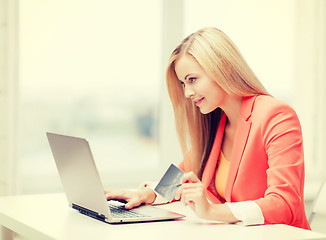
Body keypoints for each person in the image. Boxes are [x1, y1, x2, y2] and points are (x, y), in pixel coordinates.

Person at [105, 27, 310, 229]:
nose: (187, 93)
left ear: (224, 68)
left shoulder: (276, 115)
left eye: (192, 80)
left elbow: (285, 204)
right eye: (183, 84)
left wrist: (212, 212)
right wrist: (144, 195)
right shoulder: (217, 122)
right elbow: (179, 178)